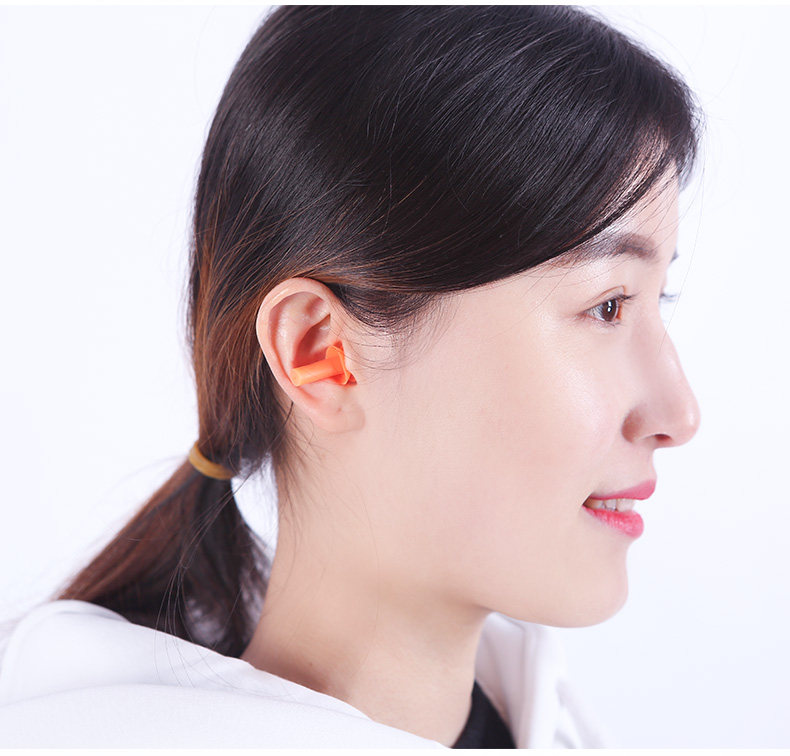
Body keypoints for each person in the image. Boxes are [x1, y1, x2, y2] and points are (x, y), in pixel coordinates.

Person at [0, 5, 701, 748]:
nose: (680, 413)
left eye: (659, 300)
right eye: (607, 305)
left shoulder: (551, 724)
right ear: (318, 352)